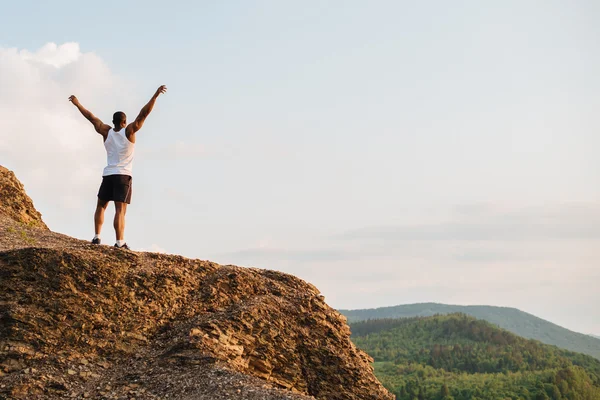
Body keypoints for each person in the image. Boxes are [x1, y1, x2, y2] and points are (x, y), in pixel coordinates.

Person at [69, 85, 167, 249]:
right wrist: (155, 96)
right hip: (123, 176)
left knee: (101, 206)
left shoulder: (106, 131)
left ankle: (96, 237)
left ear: (113, 121)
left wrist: (77, 104)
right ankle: (120, 242)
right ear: (124, 122)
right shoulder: (129, 132)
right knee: (120, 211)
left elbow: (91, 118)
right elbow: (144, 114)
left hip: (108, 175)